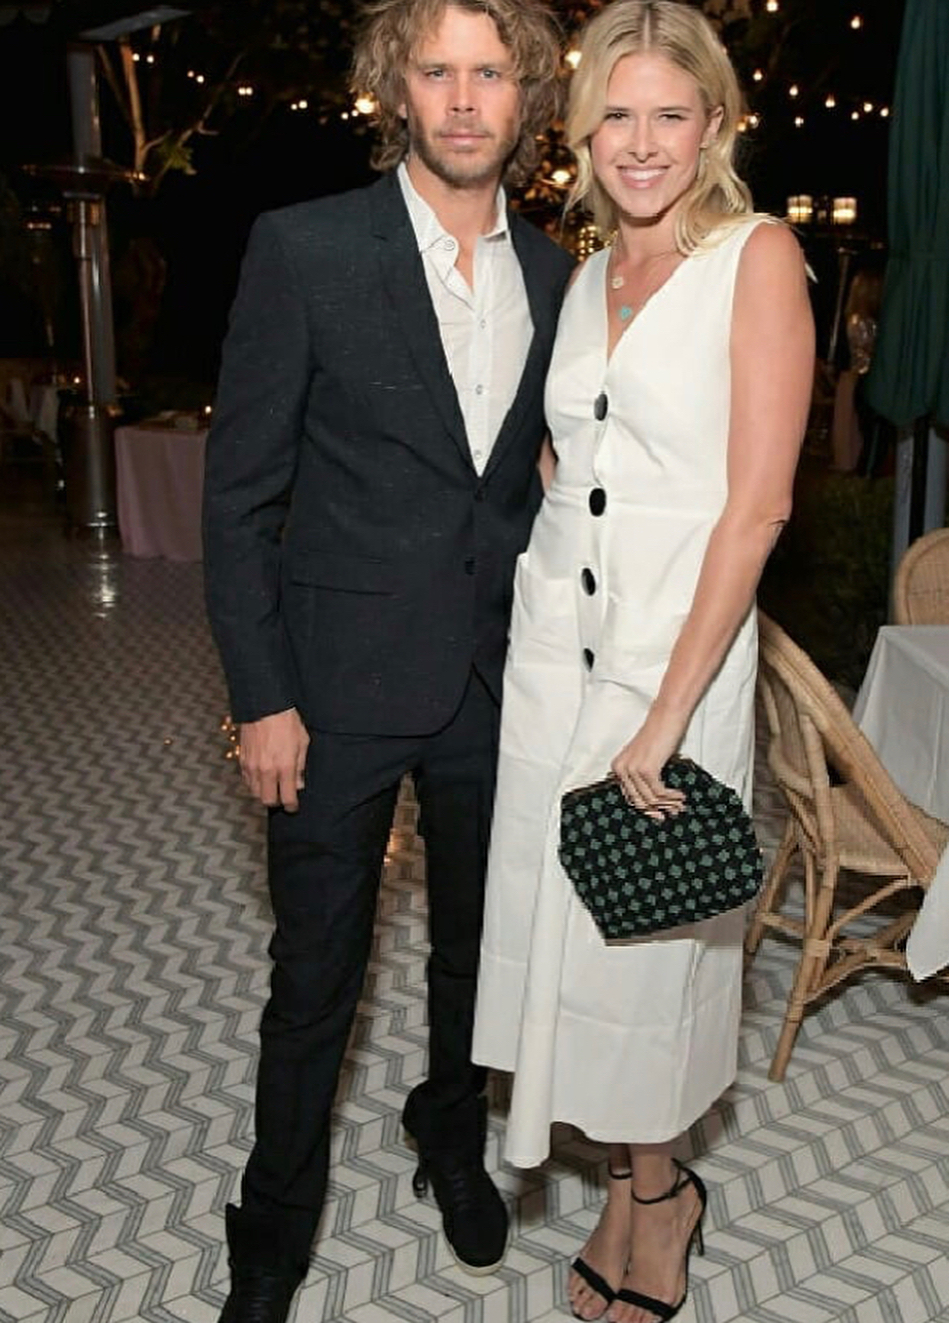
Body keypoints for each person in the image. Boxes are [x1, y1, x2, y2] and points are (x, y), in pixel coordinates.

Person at [201, 0, 573, 1316]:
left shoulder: (559, 279)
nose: (464, 99)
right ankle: (274, 1226)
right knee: (316, 976)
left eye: (491, 72)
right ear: (395, 88)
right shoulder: (306, 248)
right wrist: (263, 698)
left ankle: (447, 1126)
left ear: (526, 96)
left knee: (478, 951)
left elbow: (539, 483)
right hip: (335, 685)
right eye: (437, 71)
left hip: (495, 681)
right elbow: (239, 496)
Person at [471, 3, 815, 1322]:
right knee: (570, 944)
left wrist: (668, 712)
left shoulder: (756, 258)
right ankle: (631, 1185)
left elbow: (759, 506)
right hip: (557, 656)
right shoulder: (586, 275)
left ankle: (660, 1198)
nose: (642, 140)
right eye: (616, 113)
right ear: (581, 131)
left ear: (715, 122)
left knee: (649, 948)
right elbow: (571, 456)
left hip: (675, 661)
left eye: (671, 112)